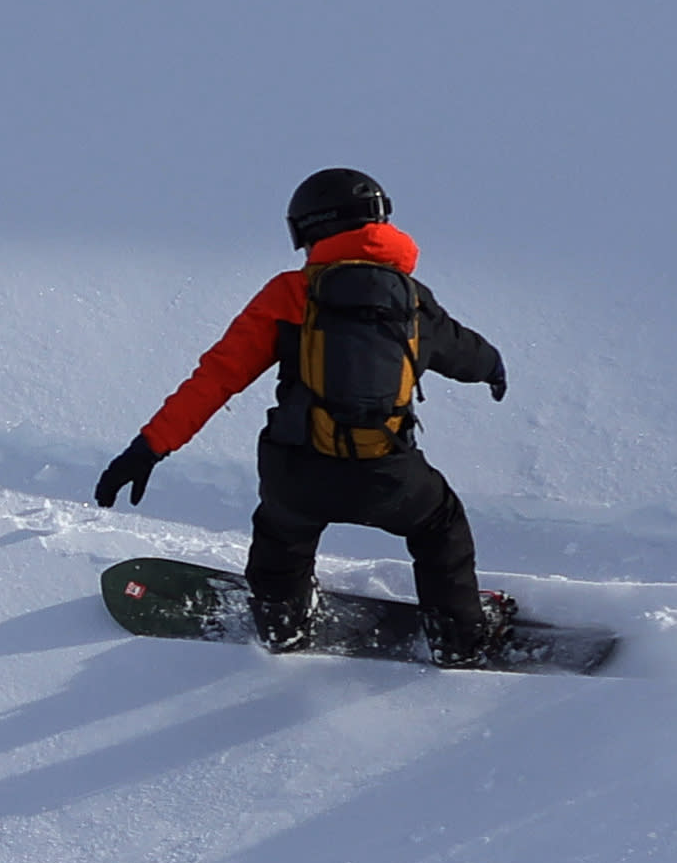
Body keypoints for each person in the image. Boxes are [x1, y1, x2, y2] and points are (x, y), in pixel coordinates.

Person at [92, 167, 513, 656]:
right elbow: (468, 354)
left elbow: (216, 377)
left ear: (312, 230)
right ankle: (459, 638)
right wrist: (494, 369)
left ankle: (281, 622)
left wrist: (148, 448)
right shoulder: (414, 301)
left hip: (298, 472)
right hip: (388, 474)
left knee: (281, 535)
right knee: (441, 527)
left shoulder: (289, 293)